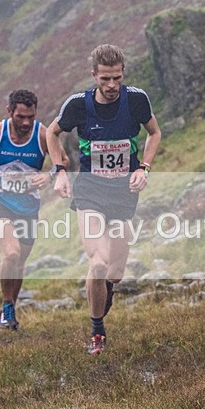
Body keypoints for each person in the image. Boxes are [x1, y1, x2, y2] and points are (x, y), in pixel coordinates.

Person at [47, 44, 162, 355]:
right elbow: (51, 133)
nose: (112, 85)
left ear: (123, 74)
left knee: (116, 272)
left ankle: (106, 289)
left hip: (123, 192)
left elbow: (154, 133)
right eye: (105, 79)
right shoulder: (78, 105)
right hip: (90, 190)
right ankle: (97, 330)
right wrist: (59, 171)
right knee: (97, 263)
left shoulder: (136, 100)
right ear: (94, 75)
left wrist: (144, 168)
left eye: (117, 78)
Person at [0, 89, 68, 330]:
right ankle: (7, 307)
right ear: (9, 111)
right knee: (11, 253)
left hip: (28, 206)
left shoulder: (42, 135)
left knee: (19, 262)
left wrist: (50, 175)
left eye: (31, 117)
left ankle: (8, 309)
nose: (26, 123)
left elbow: (63, 160)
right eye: (20, 117)